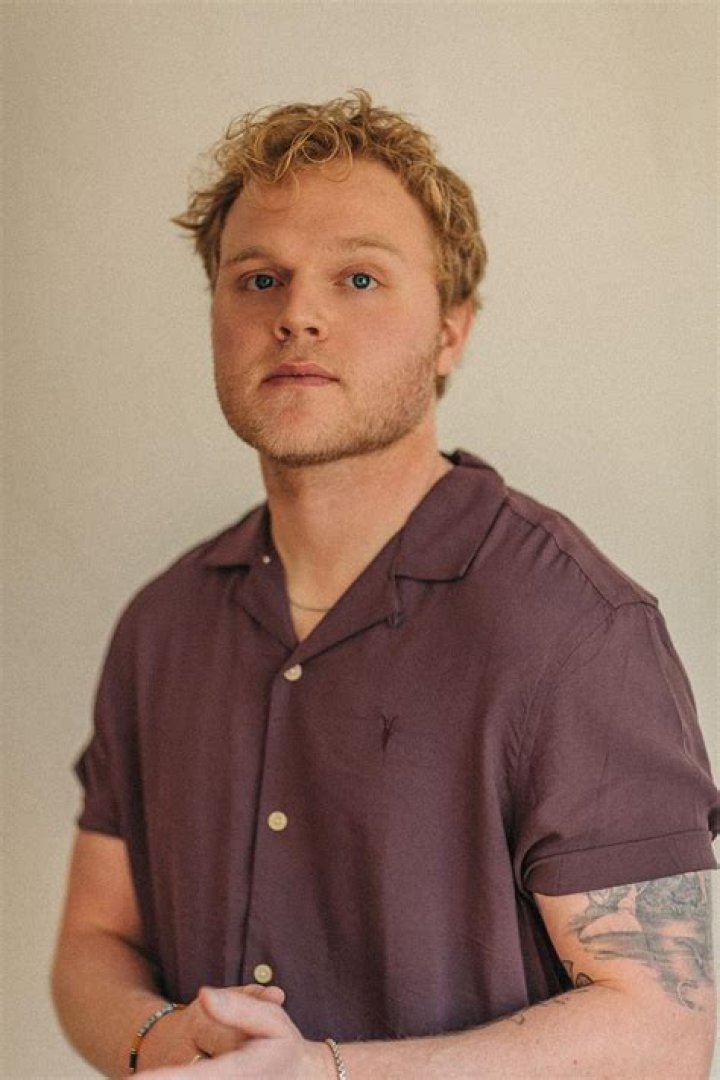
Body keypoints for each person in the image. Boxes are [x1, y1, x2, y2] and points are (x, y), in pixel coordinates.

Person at [52, 91, 717, 1079]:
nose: (298, 314)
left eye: (359, 277)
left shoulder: (577, 627)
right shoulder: (162, 625)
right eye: (259, 279)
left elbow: (666, 1029)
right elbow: (94, 942)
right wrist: (159, 1040)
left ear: (450, 331)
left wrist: (324, 1074)